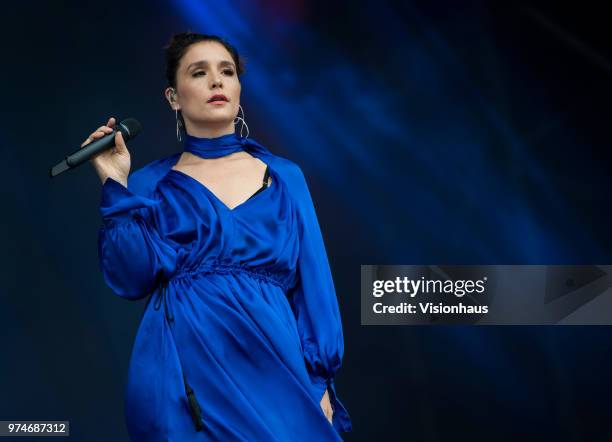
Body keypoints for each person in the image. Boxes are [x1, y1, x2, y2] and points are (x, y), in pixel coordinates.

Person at [81, 31, 352, 441]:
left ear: (239, 88)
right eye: (199, 72)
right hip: (185, 374)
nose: (216, 81)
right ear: (173, 96)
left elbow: (314, 285)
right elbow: (130, 277)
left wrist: (321, 383)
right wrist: (114, 184)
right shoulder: (149, 183)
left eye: (226, 71)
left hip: (275, 367)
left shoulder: (284, 176)